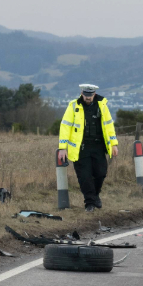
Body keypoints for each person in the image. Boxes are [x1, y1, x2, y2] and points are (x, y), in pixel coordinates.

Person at [57, 84, 119, 212]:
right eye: (86, 95)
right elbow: (65, 126)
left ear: (94, 94)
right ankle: (89, 203)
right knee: (85, 177)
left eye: (90, 95)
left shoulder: (102, 105)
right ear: (81, 93)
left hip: (98, 146)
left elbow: (109, 125)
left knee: (101, 173)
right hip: (81, 148)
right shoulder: (73, 106)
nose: (88, 98)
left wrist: (114, 144)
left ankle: (95, 196)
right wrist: (62, 148)